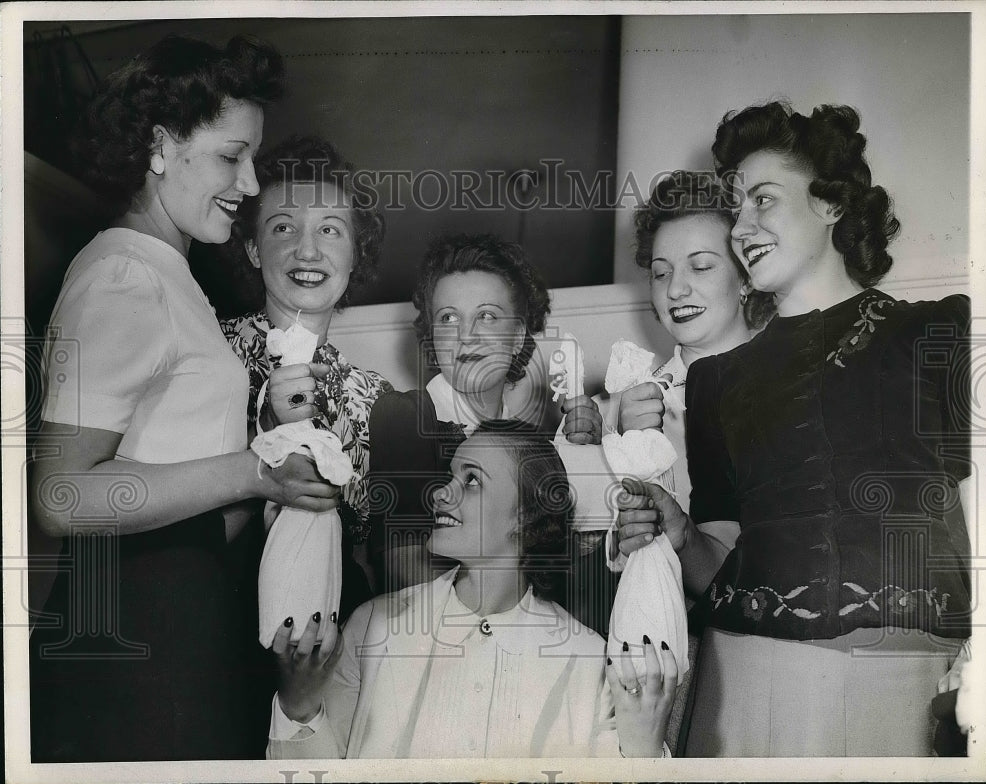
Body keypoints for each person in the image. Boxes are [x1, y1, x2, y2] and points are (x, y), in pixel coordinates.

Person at [619, 103, 971, 756]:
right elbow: (717, 558)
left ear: (832, 204)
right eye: (735, 208)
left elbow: (985, 510)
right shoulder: (716, 380)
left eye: (762, 200)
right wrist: (681, 534)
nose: (741, 226)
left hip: (905, 683)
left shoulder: (936, 331)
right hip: (745, 687)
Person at [29, 36, 340, 762]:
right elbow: (63, 498)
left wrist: (267, 434)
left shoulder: (170, 276)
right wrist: (255, 470)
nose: (253, 183)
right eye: (233, 156)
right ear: (161, 148)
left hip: (176, 619)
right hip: (137, 632)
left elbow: (166, 461)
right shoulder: (124, 277)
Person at [266, 421, 677, 758]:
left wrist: (643, 752)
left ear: (526, 515)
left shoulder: (586, 660)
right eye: (450, 476)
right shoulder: (372, 626)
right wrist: (298, 706)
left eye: (472, 480)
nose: (441, 493)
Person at [595, 170, 774, 754]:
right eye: (662, 272)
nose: (676, 290)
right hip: (651, 653)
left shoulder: (788, 392)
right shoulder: (620, 406)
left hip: (761, 652)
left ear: (747, 279)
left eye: (701, 266)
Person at [367, 233, 602, 593]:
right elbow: (404, 566)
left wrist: (592, 466)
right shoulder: (407, 417)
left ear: (518, 336)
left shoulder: (534, 443)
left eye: (487, 316)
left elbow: (558, 571)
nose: (466, 336)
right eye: (448, 318)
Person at [221, 134, 392, 613]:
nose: (308, 252)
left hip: (326, 623)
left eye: (331, 230)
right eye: (283, 229)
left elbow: (368, 556)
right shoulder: (208, 350)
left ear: (356, 254)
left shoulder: (376, 398)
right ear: (253, 249)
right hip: (215, 610)